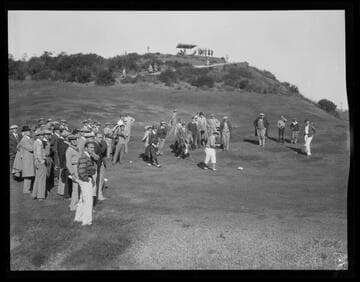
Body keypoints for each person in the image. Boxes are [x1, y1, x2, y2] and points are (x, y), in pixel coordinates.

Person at [74, 141, 97, 226]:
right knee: (88, 201)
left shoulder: (87, 156)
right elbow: (81, 170)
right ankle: (86, 221)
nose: (92, 149)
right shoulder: (84, 157)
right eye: (90, 147)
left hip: (85, 180)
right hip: (85, 181)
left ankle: (78, 218)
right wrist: (86, 179)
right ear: (86, 148)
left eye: (93, 148)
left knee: (82, 200)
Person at [18, 126, 35, 193]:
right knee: (27, 175)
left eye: (29, 131)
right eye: (27, 131)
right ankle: (26, 190)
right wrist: (36, 146)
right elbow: (31, 148)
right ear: (24, 132)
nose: (29, 132)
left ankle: (28, 189)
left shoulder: (28, 138)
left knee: (29, 174)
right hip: (27, 159)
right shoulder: (24, 140)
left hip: (29, 159)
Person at [66, 134, 81, 211]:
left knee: (79, 187)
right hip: (74, 168)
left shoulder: (76, 148)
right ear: (70, 141)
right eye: (73, 140)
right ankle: (73, 206)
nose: (75, 141)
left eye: (76, 140)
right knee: (75, 188)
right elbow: (68, 163)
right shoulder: (69, 150)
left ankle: (78, 203)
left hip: (79, 167)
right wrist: (73, 174)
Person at [32, 131, 47, 201]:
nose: (43, 136)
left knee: (38, 178)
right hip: (40, 162)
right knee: (42, 179)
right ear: (38, 136)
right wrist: (42, 161)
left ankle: (34, 194)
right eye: (41, 135)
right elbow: (38, 153)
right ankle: (40, 196)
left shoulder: (36, 142)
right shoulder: (39, 143)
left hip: (36, 162)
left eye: (43, 135)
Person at [94, 133, 107, 201]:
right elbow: (102, 151)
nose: (100, 139)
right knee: (99, 181)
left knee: (100, 180)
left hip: (100, 164)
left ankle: (99, 194)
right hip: (97, 165)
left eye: (101, 137)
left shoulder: (98, 144)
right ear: (95, 137)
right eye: (99, 137)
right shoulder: (95, 145)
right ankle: (99, 195)